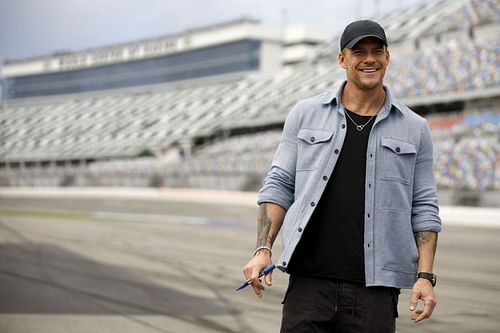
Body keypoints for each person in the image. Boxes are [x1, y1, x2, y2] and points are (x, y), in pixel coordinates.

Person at [242, 20, 441, 332]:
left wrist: (425, 276)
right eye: (358, 51)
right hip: (309, 285)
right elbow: (279, 184)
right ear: (342, 59)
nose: (369, 59)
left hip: (376, 291)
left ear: (387, 57)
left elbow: (424, 207)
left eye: (377, 51)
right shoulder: (305, 114)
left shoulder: (415, 128)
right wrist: (261, 249)